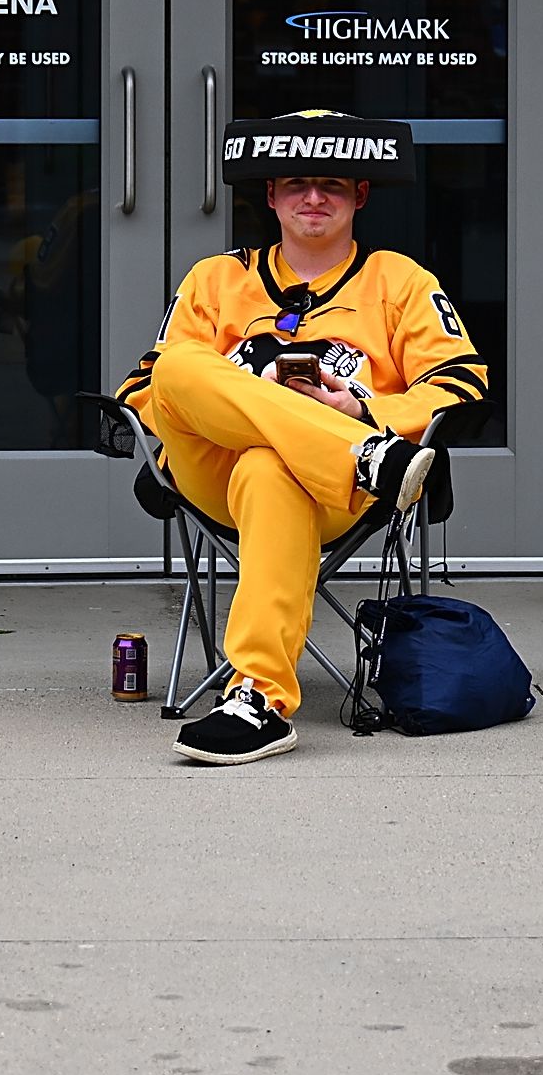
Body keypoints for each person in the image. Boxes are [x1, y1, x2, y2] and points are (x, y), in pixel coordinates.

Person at [116, 111, 493, 765]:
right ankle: (363, 455)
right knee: (177, 366)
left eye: (331, 184)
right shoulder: (215, 280)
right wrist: (295, 418)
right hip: (223, 473)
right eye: (295, 182)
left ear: (361, 194)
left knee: (270, 466)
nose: (312, 197)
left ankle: (256, 697)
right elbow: (146, 389)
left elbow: (460, 382)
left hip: (331, 494)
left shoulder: (400, 282)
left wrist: (361, 405)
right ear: (269, 195)